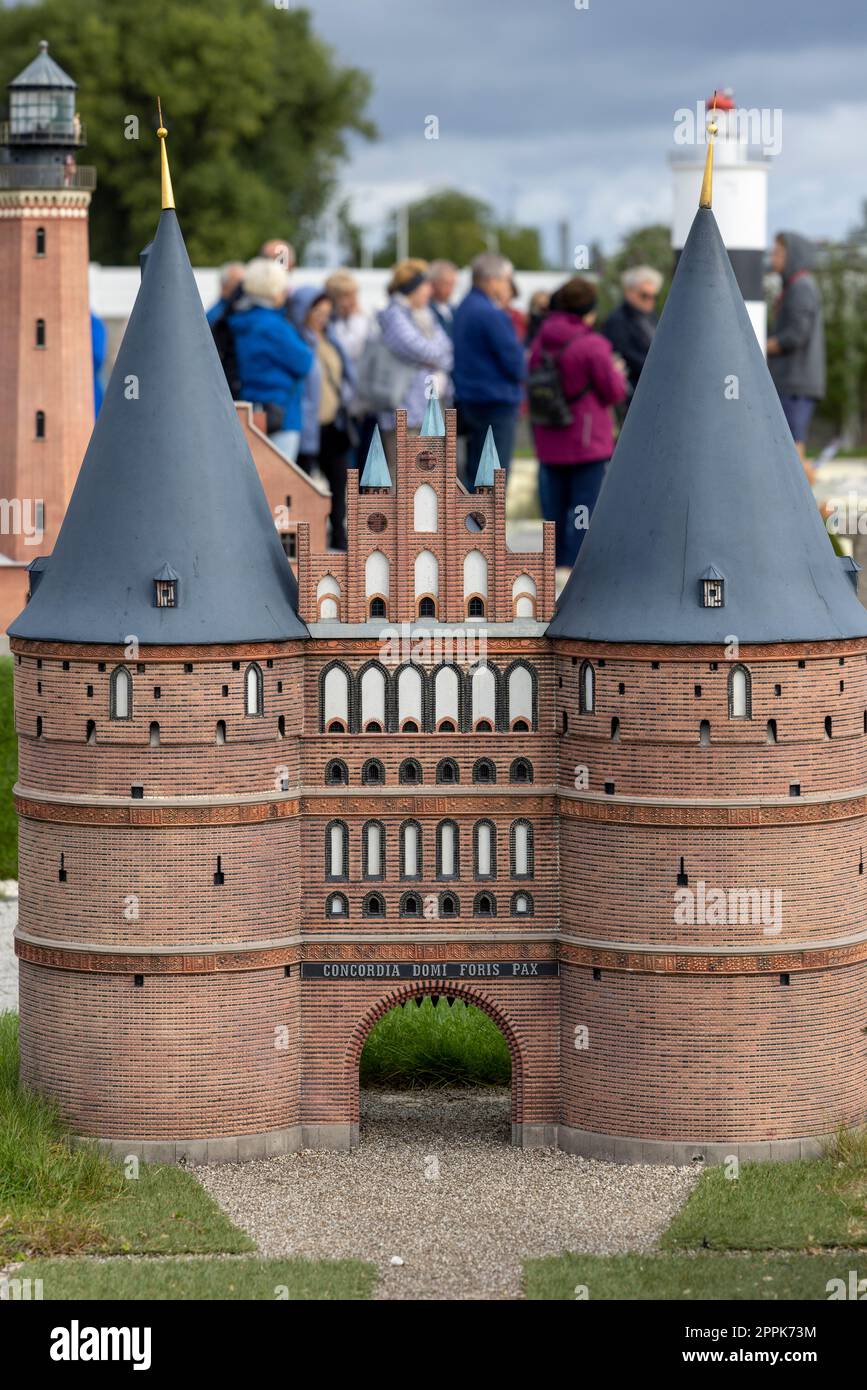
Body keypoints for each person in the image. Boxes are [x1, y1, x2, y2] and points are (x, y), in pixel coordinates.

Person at [529, 275, 626, 572]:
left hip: (548, 437)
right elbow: (614, 392)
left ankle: (552, 571)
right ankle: (576, 574)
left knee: (553, 513)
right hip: (586, 443)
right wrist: (617, 371)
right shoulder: (592, 345)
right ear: (588, 310)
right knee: (584, 511)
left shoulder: (540, 342)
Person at [289, 286, 356, 551]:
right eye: (317, 312)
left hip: (332, 423)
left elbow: (344, 374)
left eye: (326, 313)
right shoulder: (299, 341)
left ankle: (338, 536)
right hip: (308, 424)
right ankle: (307, 539)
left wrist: (346, 398)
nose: (322, 318)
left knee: (339, 482)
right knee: (304, 483)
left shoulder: (330, 339)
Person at [228, 258, 313, 460]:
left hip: (248, 409)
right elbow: (304, 361)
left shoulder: (239, 320)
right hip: (280, 413)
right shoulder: (274, 326)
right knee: (277, 483)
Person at [452, 252, 526, 477]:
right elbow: (515, 362)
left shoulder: (463, 308)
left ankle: (473, 514)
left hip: (469, 400)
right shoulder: (490, 313)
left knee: (476, 473)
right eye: (506, 280)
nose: (507, 287)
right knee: (493, 479)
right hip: (495, 403)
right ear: (492, 279)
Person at [374, 258, 453, 453]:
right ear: (413, 288)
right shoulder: (394, 315)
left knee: (428, 479)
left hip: (427, 410)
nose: (430, 291)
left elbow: (448, 349)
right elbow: (418, 348)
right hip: (405, 413)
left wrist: (432, 358)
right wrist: (435, 356)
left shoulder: (425, 315)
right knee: (404, 478)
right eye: (426, 285)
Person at [767, 231, 826, 480]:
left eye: (779, 253)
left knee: (792, 446)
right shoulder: (795, 286)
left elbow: (796, 334)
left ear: (793, 256)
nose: (773, 258)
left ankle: (805, 505)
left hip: (796, 382)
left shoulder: (801, 287)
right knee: (792, 443)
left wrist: (764, 345)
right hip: (794, 380)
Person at [602, 265, 662, 404]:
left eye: (654, 296)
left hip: (654, 386)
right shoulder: (618, 319)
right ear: (629, 293)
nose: (650, 300)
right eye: (644, 295)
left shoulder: (651, 316)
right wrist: (655, 368)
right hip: (634, 392)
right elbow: (623, 353)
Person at [206, 262, 246, 326]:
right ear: (224, 285)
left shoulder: (243, 310)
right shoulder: (215, 316)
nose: (242, 288)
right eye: (238, 284)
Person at [429, 259, 459, 336]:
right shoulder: (426, 310)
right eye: (447, 284)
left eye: (453, 284)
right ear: (433, 284)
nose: (451, 289)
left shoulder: (454, 310)